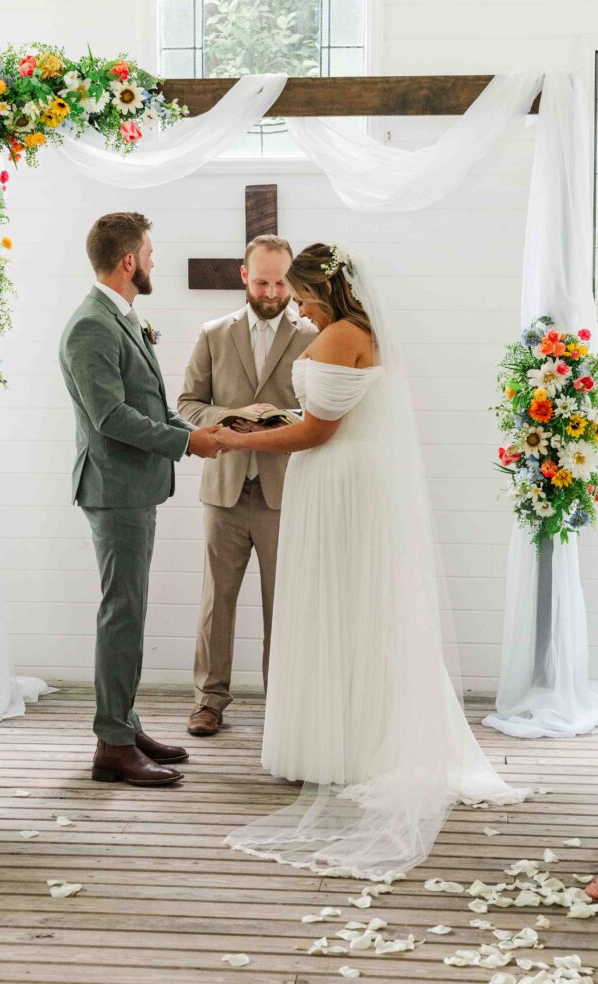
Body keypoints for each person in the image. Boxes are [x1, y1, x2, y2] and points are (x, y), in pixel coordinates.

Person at [216, 243, 529, 879]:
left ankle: (343, 749)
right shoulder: (356, 332)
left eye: (303, 296)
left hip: (337, 481)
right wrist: (275, 424)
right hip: (342, 477)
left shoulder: (339, 337)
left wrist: (234, 437)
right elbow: (322, 416)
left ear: (322, 290)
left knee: (339, 608)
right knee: (348, 608)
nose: (299, 308)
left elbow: (316, 432)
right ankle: (342, 737)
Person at [59, 212, 221, 787]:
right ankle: (112, 747)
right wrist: (186, 441)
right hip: (114, 488)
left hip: (133, 486)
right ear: (128, 260)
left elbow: (147, 403)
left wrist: (197, 432)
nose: (152, 261)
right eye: (149, 253)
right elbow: (110, 418)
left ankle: (125, 724)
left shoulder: (120, 317)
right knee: (122, 614)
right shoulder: (92, 326)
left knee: (130, 610)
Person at [177, 235, 317, 736]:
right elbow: (188, 404)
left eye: (281, 282)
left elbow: (322, 411)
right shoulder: (214, 334)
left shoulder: (311, 335)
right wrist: (234, 416)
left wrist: (281, 421)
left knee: (285, 602)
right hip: (226, 490)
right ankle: (209, 701)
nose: (273, 291)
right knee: (218, 601)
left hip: (286, 490)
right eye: (262, 281)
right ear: (244, 276)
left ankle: (283, 705)